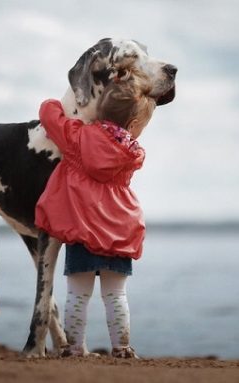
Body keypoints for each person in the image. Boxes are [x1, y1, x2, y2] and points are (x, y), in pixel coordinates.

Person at [35, 72, 156, 359]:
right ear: (134, 124)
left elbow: (48, 113)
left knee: (78, 295)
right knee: (116, 296)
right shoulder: (133, 152)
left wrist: (61, 101)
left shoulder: (77, 137)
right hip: (119, 232)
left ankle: (74, 347)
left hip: (82, 231)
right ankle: (122, 347)